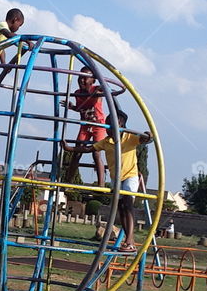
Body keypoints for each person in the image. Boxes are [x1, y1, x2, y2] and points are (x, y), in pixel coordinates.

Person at [63, 110, 151, 252]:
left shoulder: (130, 137)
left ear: (120, 124)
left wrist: (148, 136)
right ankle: (130, 241)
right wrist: (69, 148)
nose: (107, 128)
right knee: (121, 207)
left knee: (128, 203)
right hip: (116, 178)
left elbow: (144, 140)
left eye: (110, 125)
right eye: (106, 125)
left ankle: (129, 240)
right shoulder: (107, 141)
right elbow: (88, 149)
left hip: (130, 175)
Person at [63, 67, 107, 187]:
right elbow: (81, 108)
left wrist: (100, 85)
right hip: (85, 126)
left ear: (93, 80)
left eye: (85, 78)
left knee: (96, 153)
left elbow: (105, 89)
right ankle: (68, 181)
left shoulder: (96, 90)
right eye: (80, 77)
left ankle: (101, 184)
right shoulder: (77, 93)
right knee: (77, 152)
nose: (82, 80)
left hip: (98, 126)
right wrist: (72, 107)